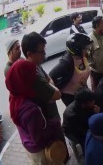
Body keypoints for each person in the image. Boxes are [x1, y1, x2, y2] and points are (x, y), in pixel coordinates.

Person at [21, 32, 70, 162]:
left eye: (44, 51)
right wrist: (51, 90)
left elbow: (50, 80)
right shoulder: (32, 75)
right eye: (41, 52)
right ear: (29, 53)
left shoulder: (36, 65)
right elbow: (57, 94)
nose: (44, 55)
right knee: (55, 155)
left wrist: (50, 87)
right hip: (46, 125)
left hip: (52, 117)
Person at [5, 60, 62, 164]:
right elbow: (37, 137)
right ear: (25, 80)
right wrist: (54, 123)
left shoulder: (14, 96)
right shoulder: (31, 110)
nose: (35, 80)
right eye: (32, 77)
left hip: (28, 144)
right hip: (41, 152)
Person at [50, 33, 93, 106]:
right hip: (71, 98)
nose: (87, 50)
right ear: (77, 49)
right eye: (85, 48)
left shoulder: (82, 57)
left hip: (82, 92)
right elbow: (50, 79)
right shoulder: (65, 64)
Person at [62, 88, 100, 153]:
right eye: (91, 101)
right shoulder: (71, 115)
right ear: (83, 103)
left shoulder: (85, 105)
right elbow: (80, 132)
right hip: (72, 132)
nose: (94, 102)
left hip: (83, 125)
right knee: (87, 139)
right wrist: (94, 115)